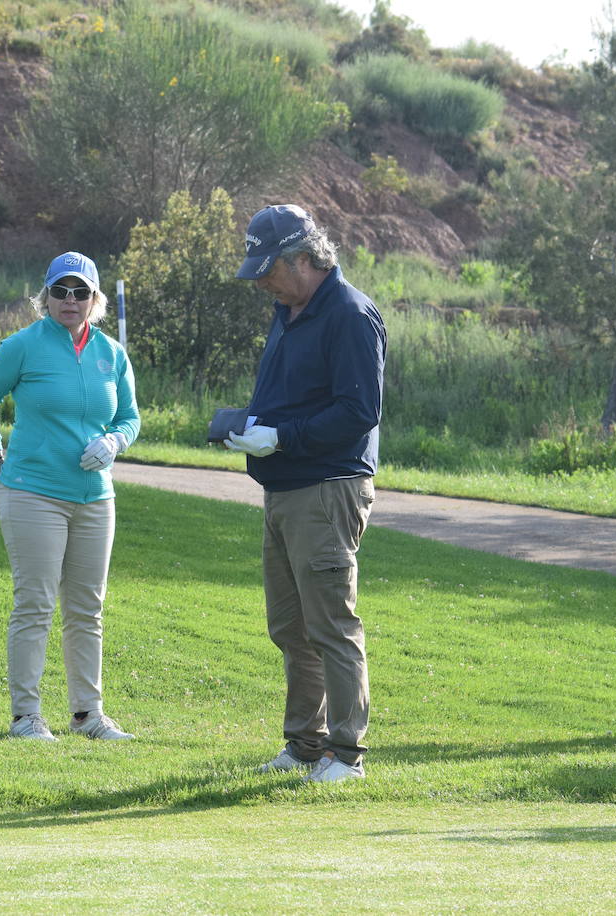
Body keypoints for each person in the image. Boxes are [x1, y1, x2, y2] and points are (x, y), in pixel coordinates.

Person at [226, 204, 386, 783]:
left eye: (268, 268)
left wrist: (283, 435)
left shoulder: (348, 314)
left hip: (327, 488)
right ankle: (305, 746)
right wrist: (247, 424)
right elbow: (293, 395)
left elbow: (358, 411)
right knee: (292, 629)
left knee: (331, 626)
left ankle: (347, 754)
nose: (262, 281)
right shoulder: (288, 309)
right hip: (286, 486)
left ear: (303, 258)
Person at [0, 251, 141, 742]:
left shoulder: (112, 353)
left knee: (88, 609)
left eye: (80, 292)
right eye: (60, 291)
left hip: (95, 497)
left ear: (95, 299)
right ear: (44, 298)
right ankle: (26, 716)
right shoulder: (23, 346)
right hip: (32, 492)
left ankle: (88, 715)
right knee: (36, 604)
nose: (70, 300)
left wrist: (115, 441)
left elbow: (130, 416)